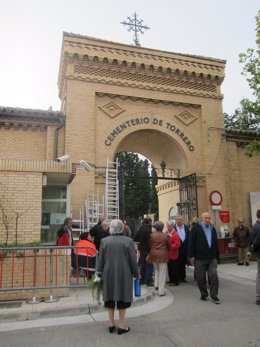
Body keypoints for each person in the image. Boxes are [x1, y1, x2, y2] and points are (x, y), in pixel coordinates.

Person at [98, 219, 139, 334]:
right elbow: (132, 260)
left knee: (109, 297)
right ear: (122, 228)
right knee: (122, 298)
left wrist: (98, 273)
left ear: (111, 228)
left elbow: (100, 260)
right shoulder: (128, 241)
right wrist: (136, 274)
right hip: (124, 273)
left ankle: (111, 324)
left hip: (108, 272)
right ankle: (122, 325)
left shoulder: (104, 241)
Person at [188, 212, 220, 304]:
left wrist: (217, 257)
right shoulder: (195, 228)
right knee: (200, 277)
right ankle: (204, 293)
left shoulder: (212, 228)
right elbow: (191, 243)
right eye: (206, 218)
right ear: (202, 219)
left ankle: (214, 295)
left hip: (212, 258)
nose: (207, 220)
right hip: (200, 258)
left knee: (214, 276)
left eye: (209, 218)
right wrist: (191, 256)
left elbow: (215, 243)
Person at [146, 221, 169, 296]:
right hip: (163, 255)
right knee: (162, 273)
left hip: (153, 254)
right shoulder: (165, 236)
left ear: (156, 227)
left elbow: (149, 245)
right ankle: (161, 291)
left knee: (156, 270)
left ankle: (156, 285)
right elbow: (169, 246)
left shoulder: (151, 235)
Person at [134, 217, 154, 286]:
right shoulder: (148, 230)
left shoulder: (140, 229)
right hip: (148, 250)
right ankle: (149, 280)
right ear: (149, 222)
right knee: (149, 265)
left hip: (141, 249)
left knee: (143, 265)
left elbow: (135, 238)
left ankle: (142, 280)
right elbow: (150, 241)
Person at [248, 209, 260, 305]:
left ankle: (258, 297)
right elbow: (256, 241)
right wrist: (252, 249)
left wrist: (251, 250)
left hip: (257, 254)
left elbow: (251, 239)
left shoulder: (255, 226)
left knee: (259, 275)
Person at [175, 215, 189, 283]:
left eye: (180, 219)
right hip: (177, 249)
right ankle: (177, 277)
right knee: (177, 263)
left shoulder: (186, 228)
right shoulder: (174, 228)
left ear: (182, 220)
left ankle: (183, 277)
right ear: (176, 220)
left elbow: (188, 237)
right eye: (177, 219)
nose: (179, 221)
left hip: (184, 248)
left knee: (183, 263)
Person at [166, 220, 181, 286]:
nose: (168, 228)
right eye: (167, 226)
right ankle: (171, 279)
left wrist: (169, 246)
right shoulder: (167, 232)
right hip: (168, 254)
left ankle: (175, 281)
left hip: (173, 254)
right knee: (169, 268)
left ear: (172, 226)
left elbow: (178, 244)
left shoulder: (175, 234)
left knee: (174, 268)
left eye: (169, 226)